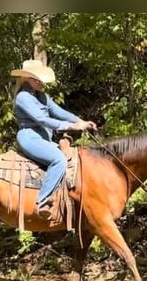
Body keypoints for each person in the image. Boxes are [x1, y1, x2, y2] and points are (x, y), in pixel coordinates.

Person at [11, 59, 97, 218]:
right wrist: (70, 126)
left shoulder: (41, 96)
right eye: (37, 79)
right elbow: (42, 120)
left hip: (43, 137)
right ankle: (42, 201)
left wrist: (80, 121)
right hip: (29, 136)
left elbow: (58, 111)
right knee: (59, 160)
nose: (40, 82)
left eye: (40, 79)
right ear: (27, 79)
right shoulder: (23, 97)